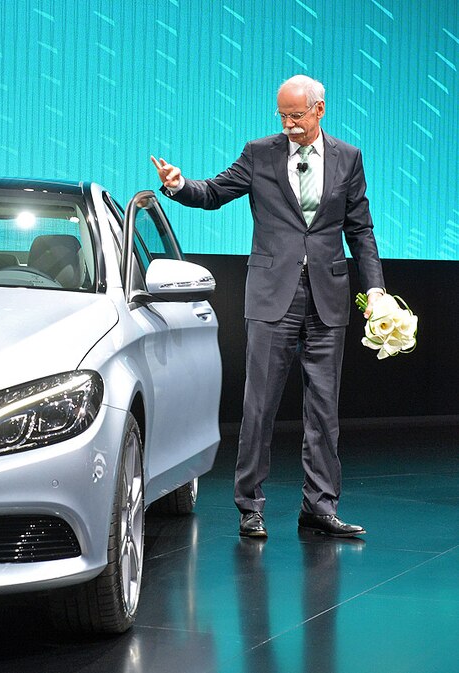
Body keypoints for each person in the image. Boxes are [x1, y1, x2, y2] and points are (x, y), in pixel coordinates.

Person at [151, 74, 384, 538]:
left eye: (296, 116)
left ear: (320, 110)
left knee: (324, 410)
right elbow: (216, 192)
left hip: (327, 296)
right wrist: (180, 186)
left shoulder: (348, 158)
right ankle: (249, 506)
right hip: (272, 295)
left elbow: (360, 229)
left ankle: (320, 506)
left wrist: (374, 289)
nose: (289, 125)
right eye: (282, 116)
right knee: (259, 407)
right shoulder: (261, 153)